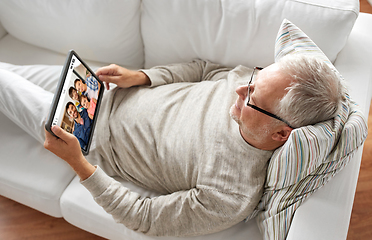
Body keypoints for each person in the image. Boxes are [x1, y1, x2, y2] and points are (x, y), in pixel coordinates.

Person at [0, 54, 344, 237]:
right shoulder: (254, 85)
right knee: (7, 70)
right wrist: (143, 76)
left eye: (253, 96)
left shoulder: (231, 196)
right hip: (100, 91)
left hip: (88, 138)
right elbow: (206, 70)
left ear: (280, 134)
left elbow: (143, 216)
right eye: (253, 78)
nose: (241, 89)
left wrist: (78, 164)